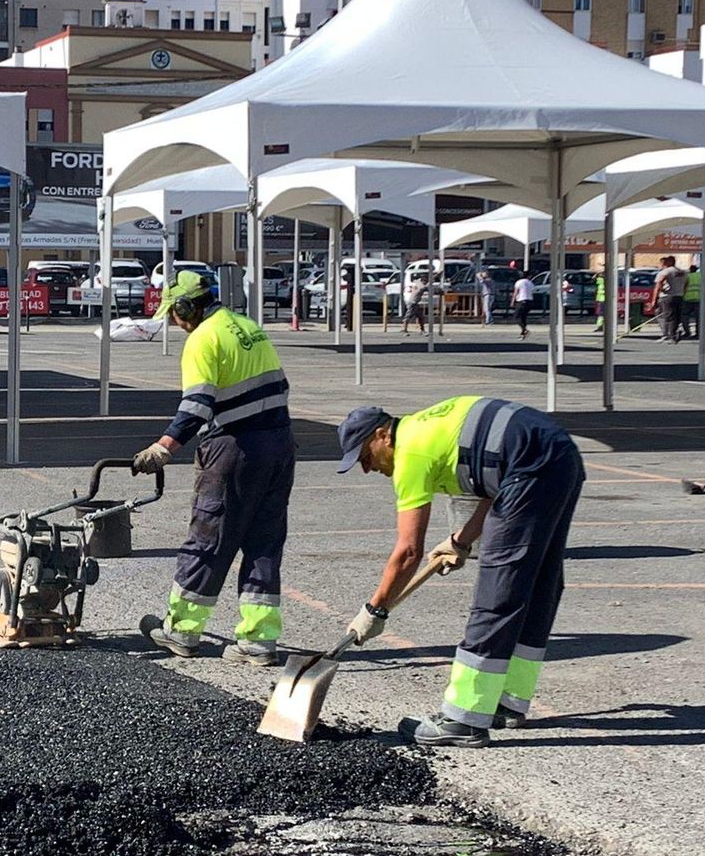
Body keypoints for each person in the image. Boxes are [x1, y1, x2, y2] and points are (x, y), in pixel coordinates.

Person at [335, 397, 585, 748]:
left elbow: (408, 552)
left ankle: (463, 719)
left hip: (532, 465)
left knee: (498, 591)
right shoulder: (425, 429)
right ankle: (508, 701)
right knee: (538, 581)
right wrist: (461, 541)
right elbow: (497, 480)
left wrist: (374, 609)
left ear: (383, 436)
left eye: (364, 456)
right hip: (556, 454)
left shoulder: (411, 454)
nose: (367, 468)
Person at [134, 270, 295, 667]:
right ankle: (259, 641)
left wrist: (164, 447)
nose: (174, 320)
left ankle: (182, 631)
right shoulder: (247, 327)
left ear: (188, 307)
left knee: (208, 538)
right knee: (263, 542)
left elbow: (197, 406)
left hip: (235, 449)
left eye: (175, 312)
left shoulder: (203, 339)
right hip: (280, 444)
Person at [650, 256, 687, 343]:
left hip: (667, 296)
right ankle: (674, 333)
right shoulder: (682, 272)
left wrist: (654, 299)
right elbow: (686, 284)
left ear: (666, 263)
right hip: (679, 296)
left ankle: (669, 335)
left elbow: (659, 284)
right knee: (677, 316)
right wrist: (682, 292)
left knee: (667, 316)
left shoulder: (665, 272)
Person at [681, 264, 703, 340]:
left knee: (685, 316)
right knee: (699, 318)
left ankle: (687, 332)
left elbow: (684, 286)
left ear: (690, 269)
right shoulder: (700, 276)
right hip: (698, 298)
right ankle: (698, 334)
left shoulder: (688, 276)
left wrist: (682, 295)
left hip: (688, 298)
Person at [511, 273, 534, 339]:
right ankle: (523, 333)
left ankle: (524, 329)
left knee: (516, 317)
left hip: (521, 301)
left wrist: (512, 301)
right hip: (529, 301)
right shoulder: (530, 283)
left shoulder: (519, 282)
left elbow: (516, 292)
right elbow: (532, 291)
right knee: (523, 317)